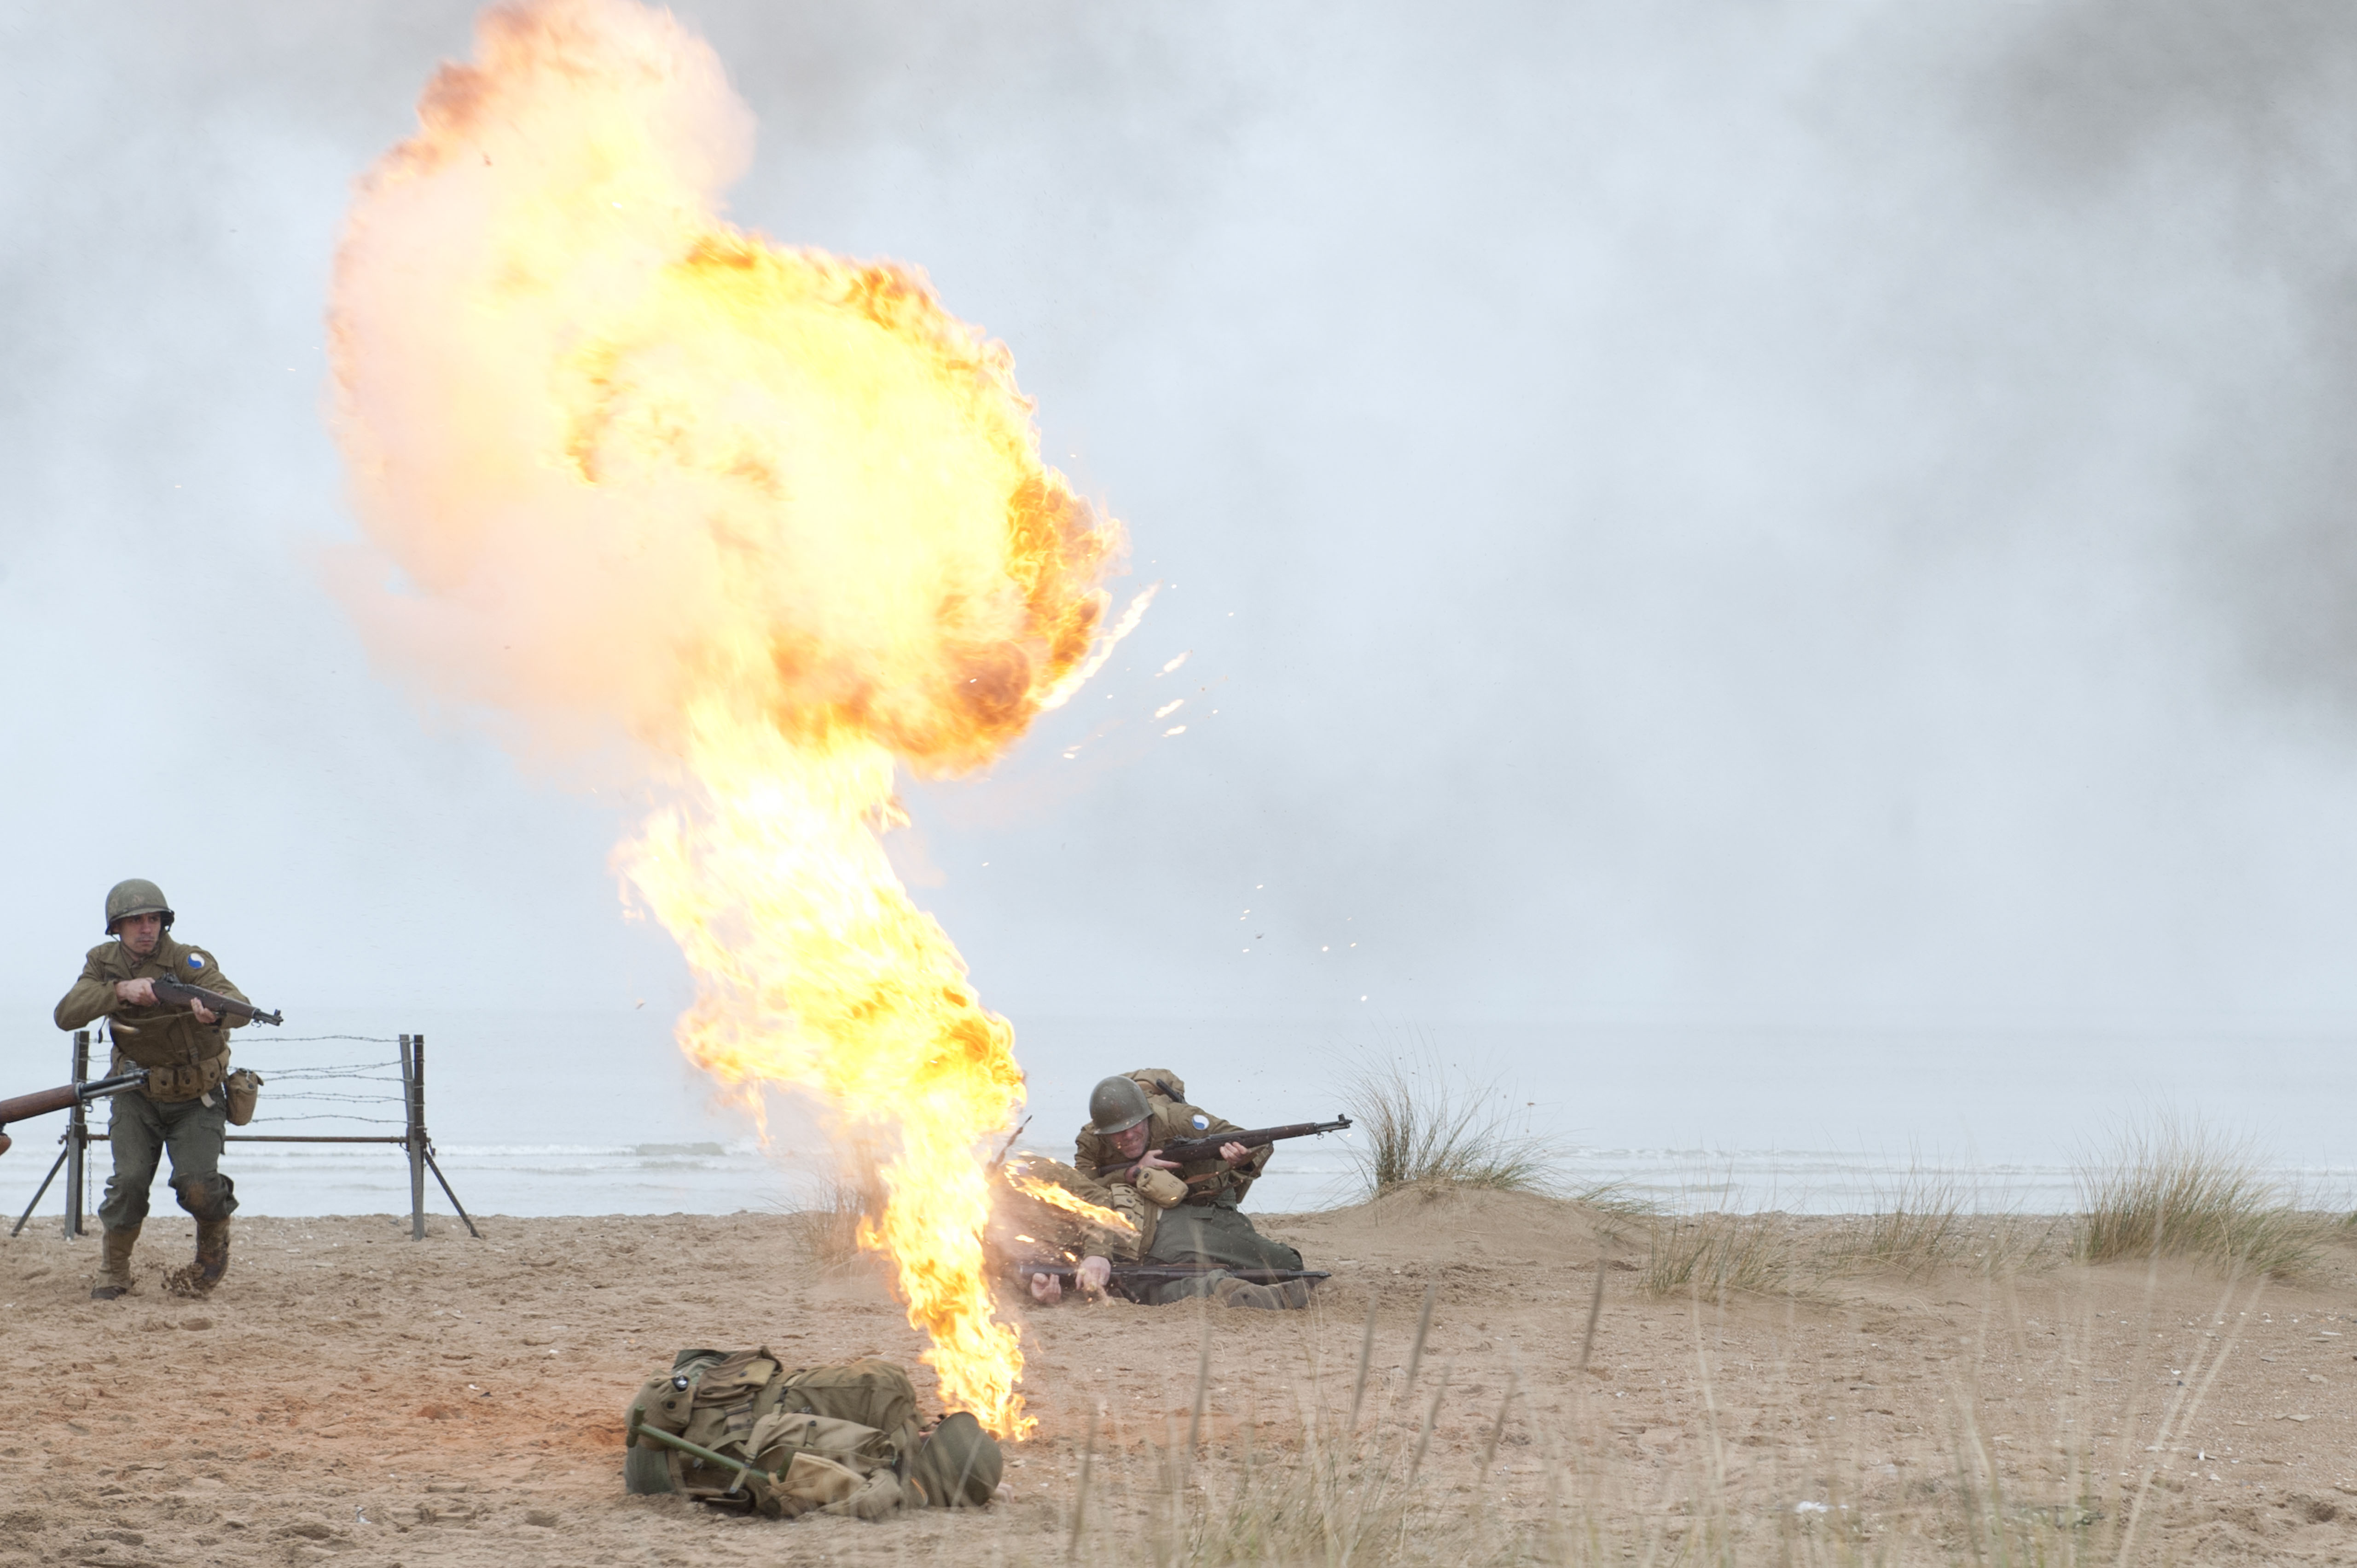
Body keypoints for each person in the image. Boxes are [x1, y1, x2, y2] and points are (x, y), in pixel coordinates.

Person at [52, 879, 252, 1300]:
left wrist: (213, 1016)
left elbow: (235, 1003)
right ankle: (114, 1270)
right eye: (136, 921)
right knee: (128, 1182)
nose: (147, 928)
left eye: (154, 919)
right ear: (117, 927)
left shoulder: (186, 960)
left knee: (197, 1184)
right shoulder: (102, 963)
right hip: (135, 1093)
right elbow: (67, 1013)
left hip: (197, 1096)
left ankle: (211, 1255)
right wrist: (119, 991)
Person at [1072, 1069, 1315, 1309]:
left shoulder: (1181, 1119)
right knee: (1286, 1264)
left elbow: (1246, 1139)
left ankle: (1219, 1282)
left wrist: (1239, 1158)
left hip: (1208, 1206)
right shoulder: (1092, 1141)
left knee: (1284, 1263)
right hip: (1155, 1220)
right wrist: (1132, 1172)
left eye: (1134, 1125)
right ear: (1103, 1132)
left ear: (1147, 1116)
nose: (1128, 1136)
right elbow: (1079, 1188)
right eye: (1117, 1132)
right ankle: (1221, 1285)